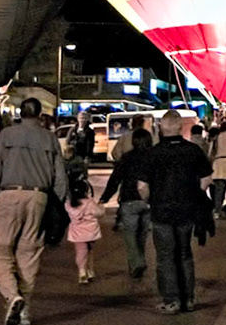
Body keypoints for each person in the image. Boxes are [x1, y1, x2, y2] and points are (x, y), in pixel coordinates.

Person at [0, 97, 65, 325]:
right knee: (29, 254)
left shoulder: (7, 135)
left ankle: (12, 295)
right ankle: (25, 310)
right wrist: (56, 205)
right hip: (39, 197)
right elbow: (60, 177)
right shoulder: (50, 138)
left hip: (9, 195)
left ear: (20, 113)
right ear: (40, 115)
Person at [136, 109, 215, 314]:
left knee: (165, 256)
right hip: (186, 211)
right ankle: (188, 299)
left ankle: (171, 300)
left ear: (161, 127)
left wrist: (150, 200)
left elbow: (142, 186)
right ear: (181, 127)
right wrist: (195, 194)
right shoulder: (193, 150)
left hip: (161, 211)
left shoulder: (152, 153)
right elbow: (207, 179)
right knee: (185, 254)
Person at [101, 125, 153, 281]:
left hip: (129, 200)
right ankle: (138, 262)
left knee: (130, 234)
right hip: (148, 201)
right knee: (142, 235)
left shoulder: (127, 157)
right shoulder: (154, 157)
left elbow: (115, 179)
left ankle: (136, 263)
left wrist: (105, 197)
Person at [66, 173, 102, 284]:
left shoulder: (69, 204)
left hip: (78, 233)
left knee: (81, 252)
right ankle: (90, 270)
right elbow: (99, 213)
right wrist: (101, 206)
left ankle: (82, 271)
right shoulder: (90, 203)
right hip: (91, 232)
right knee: (90, 251)